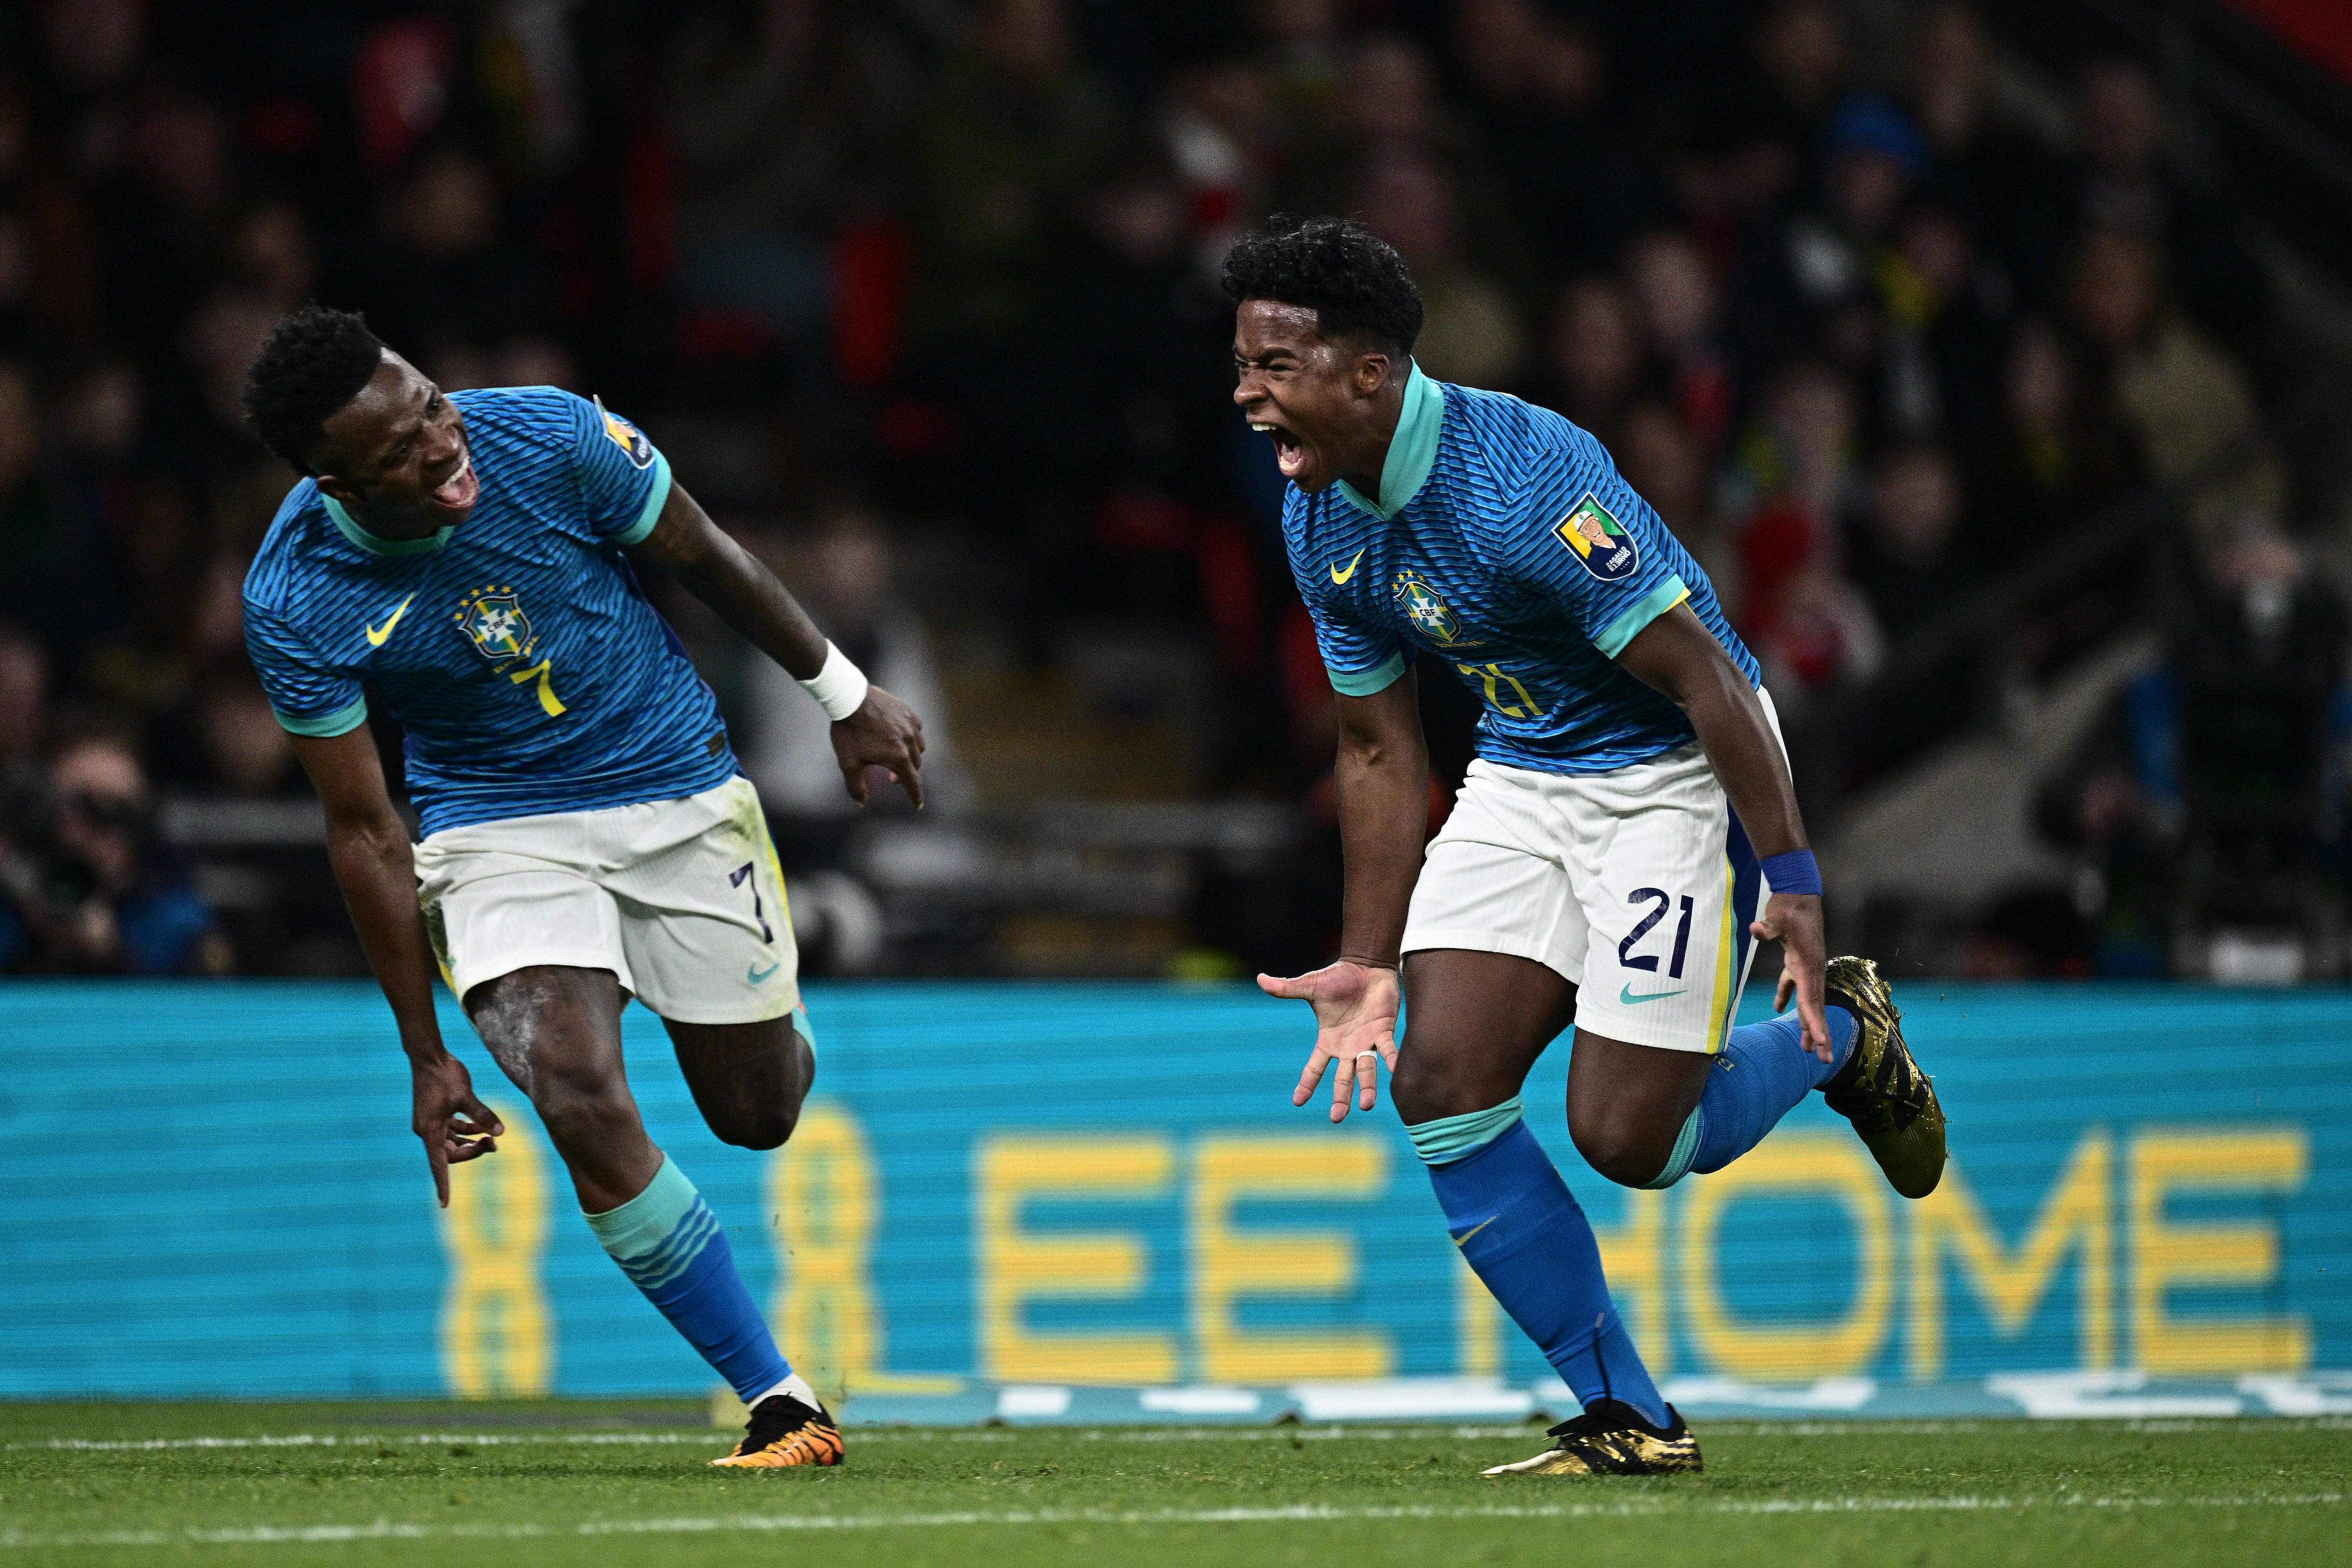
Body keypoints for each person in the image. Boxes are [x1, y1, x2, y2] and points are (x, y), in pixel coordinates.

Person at [1228, 217, 1944, 1477]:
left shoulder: (1522, 478)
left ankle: (1842, 1035)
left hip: (1676, 772)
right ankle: (1629, 1413)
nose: (1246, 392)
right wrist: (1366, 953)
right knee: (1440, 1081)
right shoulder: (1321, 515)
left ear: (1369, 375)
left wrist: (1796, 882)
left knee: (1634, 1139)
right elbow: (1382, 750)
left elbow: (1715, 680)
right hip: (1525, 768)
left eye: (1274, 364)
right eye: (1242, 361)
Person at [237, 306, 924, 1467]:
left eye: (432, 405)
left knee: (758, 1113)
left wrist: (843, 695)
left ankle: (783, 937)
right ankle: (780, 1398)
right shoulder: (297, 593)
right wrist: (424, 1050)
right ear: (332, 479)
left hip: (676, 787)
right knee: (572, 1083)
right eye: (401, 449)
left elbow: (709, 555)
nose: (441, 443)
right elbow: (362, 826)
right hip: (494, 827)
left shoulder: (552, 436)